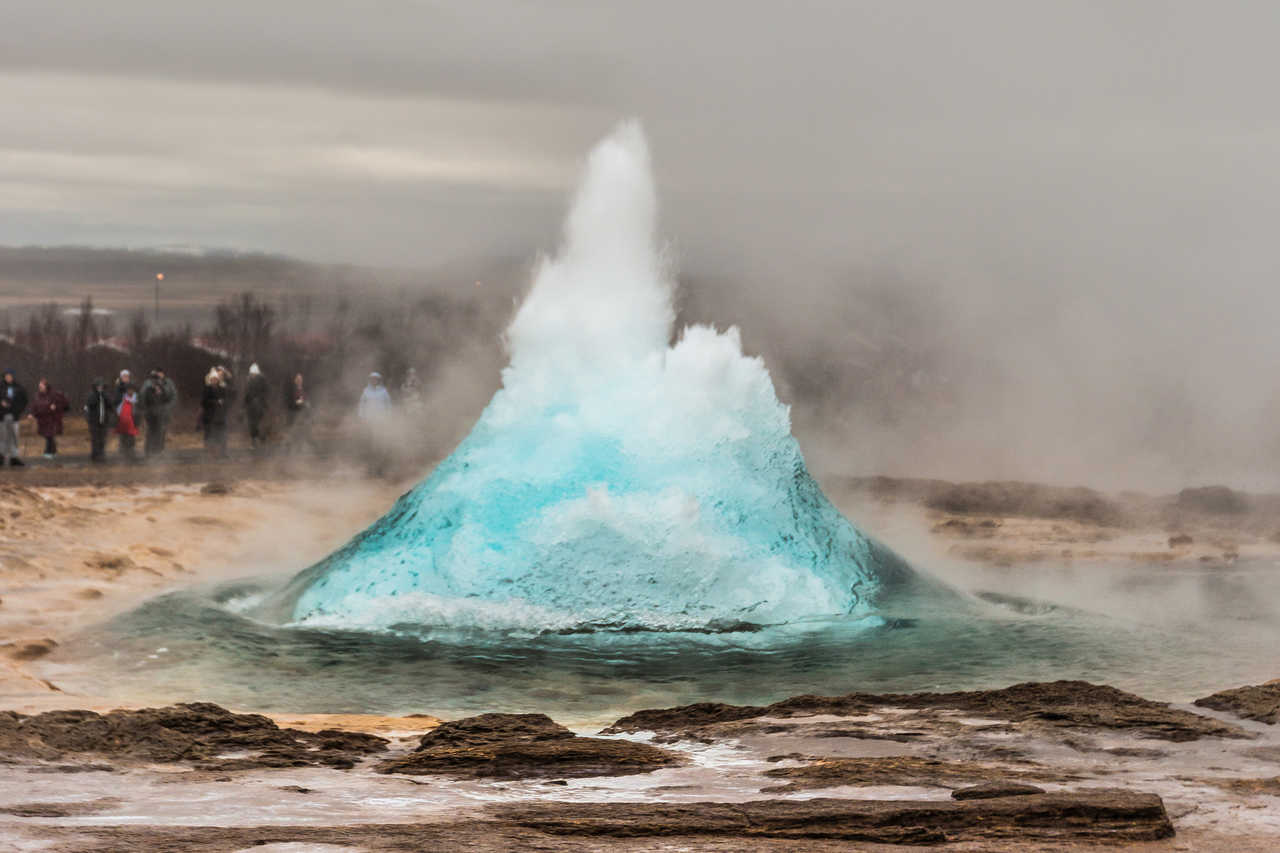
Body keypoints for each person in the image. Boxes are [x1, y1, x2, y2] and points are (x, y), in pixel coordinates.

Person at [140, 368, 177, 458]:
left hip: (160, 413)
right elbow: (143, 400)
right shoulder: (148, 388)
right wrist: (146, 411)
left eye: (157, 379)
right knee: (150, 433)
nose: (155, 381)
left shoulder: (162, 387)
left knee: (160, 433)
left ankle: (157, 452)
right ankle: (148, 452)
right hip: (150, 414)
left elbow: (168, 398)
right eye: (154, 379)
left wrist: (162, 391)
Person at [31, 378, 70, 459]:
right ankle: (53, 451)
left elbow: (64, 405)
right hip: (42, 420)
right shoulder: (37, 396)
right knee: (47, 436)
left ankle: (48, 452)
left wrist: (55, 407)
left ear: (46, 386)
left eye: (41, 386)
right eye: (39, 386)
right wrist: (32, 414)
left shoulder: (54, 395)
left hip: (52, 419)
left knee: (50, 436)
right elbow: (35, 406)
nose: (40, 388)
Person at [0, 369, 29, 467]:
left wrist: (16, 410)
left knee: (14, 437)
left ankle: (14, 457)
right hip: (1, 417)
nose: (8, 377)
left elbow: (24, 401)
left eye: (10, 376)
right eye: (6, 376)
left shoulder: (19, 388)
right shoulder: (1, 387)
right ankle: (1, 456)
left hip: (14, 417)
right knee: (2, 437)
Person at [200, 367, 230, 457]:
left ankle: (223, 452)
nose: (214, 381)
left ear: (218, 380)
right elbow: (203, 402)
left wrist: (223, 404)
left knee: (222, 434)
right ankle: (212, 453)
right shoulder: (207, 389)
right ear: (210, 380)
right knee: (211, 435)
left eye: (216, 379)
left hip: (220, 416)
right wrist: (215, 402)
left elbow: (227, 400)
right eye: (212, 379)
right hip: (210, 416)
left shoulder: (222, 389)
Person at [84, 377, 114, 463]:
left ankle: (102, 454)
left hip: (104, 421)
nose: (100, 388)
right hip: (94, 421)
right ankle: (95, 456)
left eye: (101, 386)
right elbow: (89, 405)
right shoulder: (91, 395)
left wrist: (104, 396)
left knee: (102, 439)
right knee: (95, 439)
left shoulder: (106, 396)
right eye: (98, 386)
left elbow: (111, 406)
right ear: (95, 387)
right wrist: (97, 395)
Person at [283, 372, 315, 453]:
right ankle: (290, 448)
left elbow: (306, 399)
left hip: (302, 413)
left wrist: (307, 403)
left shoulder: (303, 389)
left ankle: (303, 446)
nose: (299, 381)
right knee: (293, 431)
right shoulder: (291, 390)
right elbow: (289, 402)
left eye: (300, 379)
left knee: (303, 430)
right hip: (294, 413)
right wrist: (296, 402)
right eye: (298, 379)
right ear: (295, 380)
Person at [244, 363, 269, 450]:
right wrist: (243, 406)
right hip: (250, 406)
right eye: (252, 374)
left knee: (259, 423)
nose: (253, 375)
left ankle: (262, 439)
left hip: (260, 405)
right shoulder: (248, 381)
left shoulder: (262, 380)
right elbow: (246, 394)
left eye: (254, 374)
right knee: (252, 424)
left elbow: (266, 392)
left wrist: (260, 400)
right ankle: (254, 442)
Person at [115, 386, 140, 462]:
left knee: (131, 440)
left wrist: (137, 422)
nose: (130, 391)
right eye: (129, 390)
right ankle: (123, 456)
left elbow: (138, 412)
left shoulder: (136, 400)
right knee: (123, 439)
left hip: (132, 423)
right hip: (123, 423)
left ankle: (131, 455)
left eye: (132, 390)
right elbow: (118, 411)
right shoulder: (122, 399)